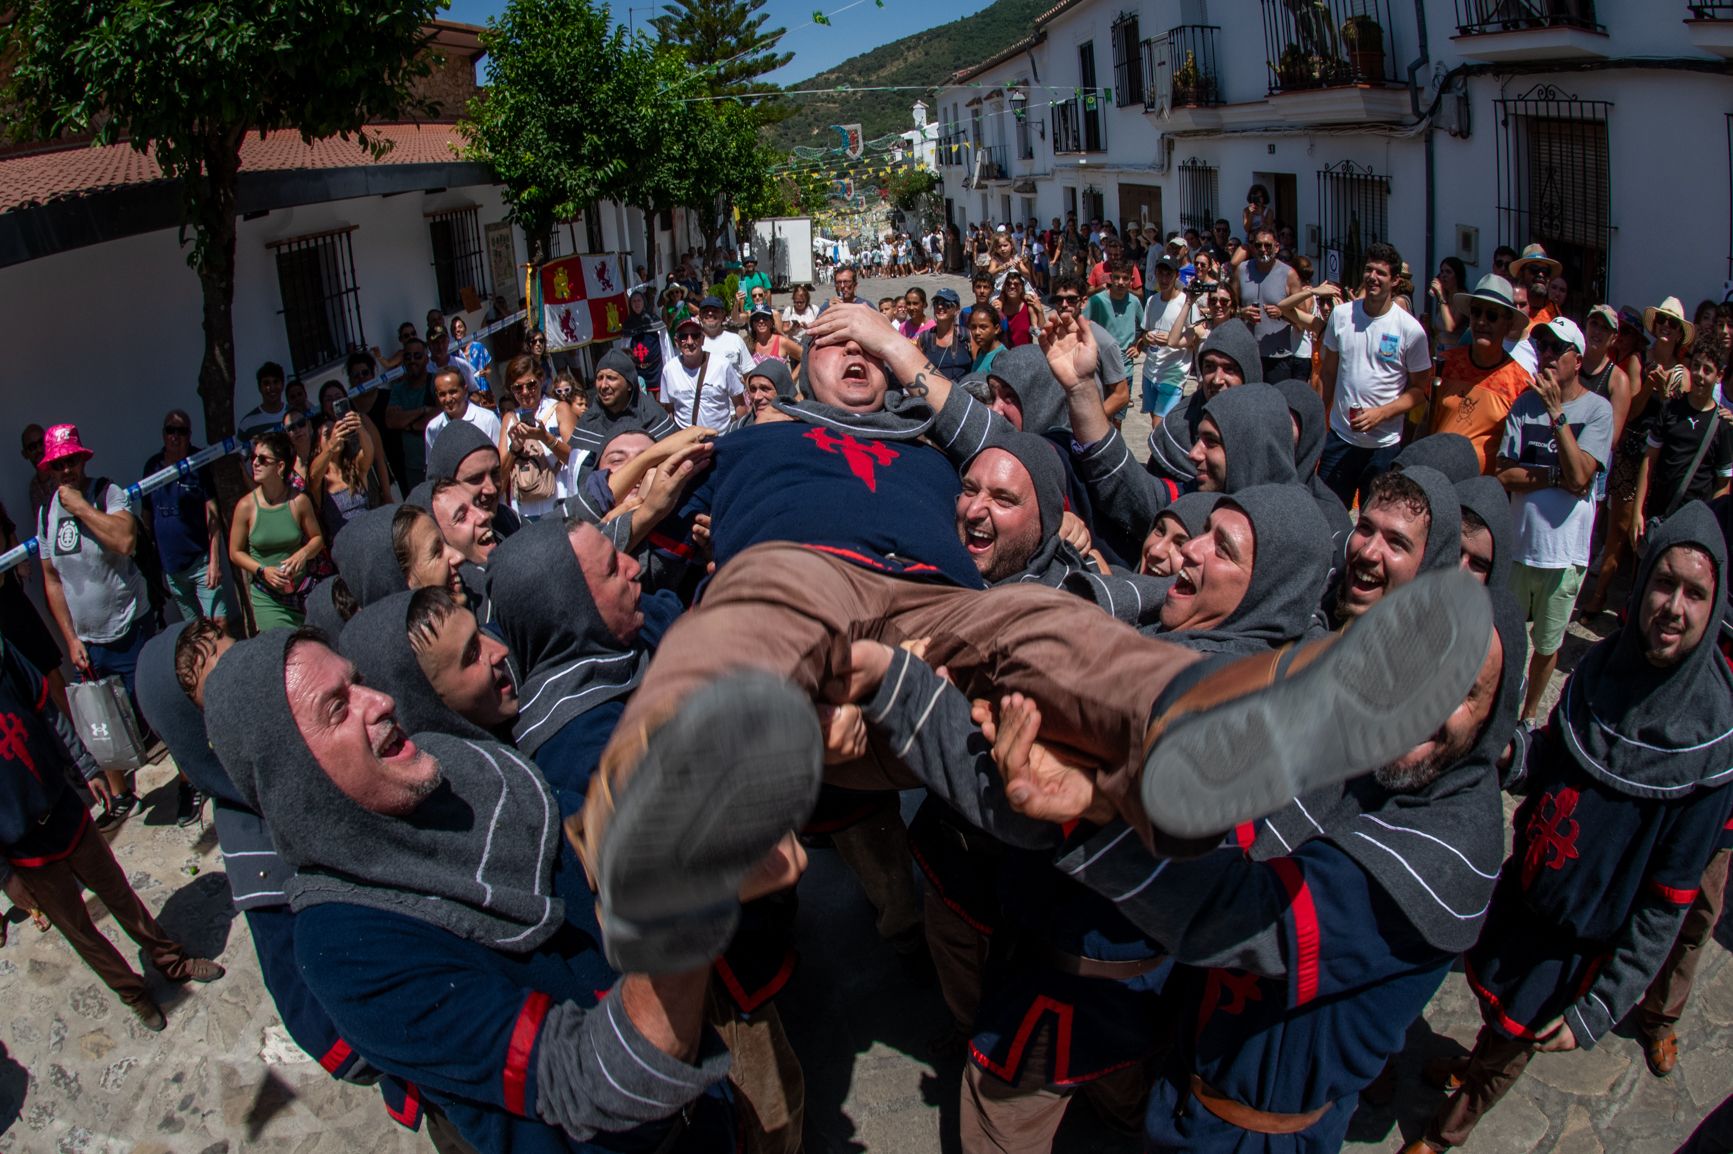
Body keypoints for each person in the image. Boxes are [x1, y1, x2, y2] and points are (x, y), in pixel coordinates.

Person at [203, 628, 804, 1152]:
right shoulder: (344, 944)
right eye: (338, 708)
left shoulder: (448, 767)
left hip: (706, 1100)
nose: (381, 700)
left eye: (358, 681)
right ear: (294, 781)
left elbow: (586, 846)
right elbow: (596, 1079)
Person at [1407, 504, 1733, 1154]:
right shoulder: (1604, 668)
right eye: (1663, 584)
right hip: (1527, 893)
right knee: (1494, 1019)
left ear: (1714, 602)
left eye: (1693, 593)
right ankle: (1472, 1064)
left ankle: (1444, 1135)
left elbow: (1666, 902)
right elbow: (1553, 756)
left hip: (1580, 941)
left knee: (1515, 1042)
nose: (1672, 606)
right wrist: (1501, 753)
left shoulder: (1710, 740)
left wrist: (1603, 1003)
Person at [0, 629, 223, 1029]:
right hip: (22, 846)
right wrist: (4, 875)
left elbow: (45, 711)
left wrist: (86, 767)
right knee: (79, 928)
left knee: (118, 892)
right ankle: (132, 992)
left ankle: (169, 960)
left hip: (62, 808)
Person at [1495, 317, 1614, 720]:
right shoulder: (1523, 404)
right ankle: (1502, 703)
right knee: (1508, 637)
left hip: (1563, 557)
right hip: (1520, 549)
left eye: (1555, 348)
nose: (1545, 355)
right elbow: (1504, 472)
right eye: (1541, 346)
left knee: (1546, 645)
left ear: (1576, 360)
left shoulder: (1598, 410)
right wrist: (1551, 476)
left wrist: (1557, 415)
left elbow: (1582, 476)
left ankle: (1528, 717)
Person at [35, 423, 151, 823]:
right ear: (49, 470)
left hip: (128, 624)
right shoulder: (46, 513)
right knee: (101, 717)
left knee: (149, 705)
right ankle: (121, 794)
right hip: (87, 636)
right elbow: (51, 578)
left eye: (71, 462)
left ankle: (187, 779)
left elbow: (125, 542)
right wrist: (69, 638)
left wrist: (81, 508)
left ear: (82, 461)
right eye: (58, 465)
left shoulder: (106, 492)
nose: (66, 471)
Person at [1317, 243, 1434, 508]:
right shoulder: (1342, 315)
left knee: (1374, 518)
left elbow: (1419, 391)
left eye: (1380, 273)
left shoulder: (1410, 330)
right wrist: (1316, 421)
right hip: (1340, 438)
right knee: (1327, 512)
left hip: (1383, 446)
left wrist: (1381, 413)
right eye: (1369, 270)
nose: (1372, 277)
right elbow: (1328, 372)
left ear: (1395, 281)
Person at [1634, 336, 1732, 554]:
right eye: (1696, 366)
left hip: (1694, 527)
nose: (1699, 374)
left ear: (1719, 376)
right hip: (1660, 516)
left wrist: (1710, 525)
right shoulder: (1670, 408)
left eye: (1708, 370)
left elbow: (1723, 483)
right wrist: (1638, 512)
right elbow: (1650, 459)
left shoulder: (1722, 425)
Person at [1429, 275, 1534, 473]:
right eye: (1476, 313)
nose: (1482, 322)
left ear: (1508, 324)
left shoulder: (1520, 384)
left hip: (1478, 494)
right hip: (1434, 480)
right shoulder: (1445, 363)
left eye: (1492, 316)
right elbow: (1426, 420)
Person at [142, 409, 231, 630]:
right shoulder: (152, 467)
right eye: (170, 430)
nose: (175, 436)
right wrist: (153, 564)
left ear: (189, 435)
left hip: (201, 562)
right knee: (194, 630)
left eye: (181, 431)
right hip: (172, 567)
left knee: (218, 622)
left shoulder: (199, 462)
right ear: (163, 434)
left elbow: (213, 514)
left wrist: (215, 561)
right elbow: (146, 516)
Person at [228, 431, 323, 631]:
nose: (254, 463)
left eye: (262, 459)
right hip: (267, 598)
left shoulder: (299, 501)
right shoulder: (246, 506)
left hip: (302, 592)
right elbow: (235, 552)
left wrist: (303, 554)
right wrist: (262, 570)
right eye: (253, 457)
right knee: (282, 649)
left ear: (280, 466)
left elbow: (317, 539)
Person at [499, 353, 580, 523]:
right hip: (525, 510)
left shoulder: (560, 409)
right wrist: (514, 449)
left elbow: (575, 459)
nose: (525, 392)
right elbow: (500, 477)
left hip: (560, 500)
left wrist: (545, 438)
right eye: (517, 388)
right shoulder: (509, 419)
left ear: (541, 379)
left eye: (531, 385)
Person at [309, 394, 387, 545]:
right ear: (317, 446)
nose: (335, 435)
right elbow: (313, 476)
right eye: (328, 434)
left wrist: (360, 428)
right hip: (345, 547)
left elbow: (369, 453)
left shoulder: (354, 468)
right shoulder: (321, 482)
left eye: (338, 430)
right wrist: (331, 447)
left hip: (371, 539)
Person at [1236, 228, 1303, 383]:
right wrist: (1242, 312)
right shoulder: (1242, 270)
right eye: (1258, 245)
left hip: (1278, 357)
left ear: (1277, 247)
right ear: (1252, 247)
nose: (1263, 250)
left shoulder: (1289, 274)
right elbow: (1228, 307)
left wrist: (1283, 313)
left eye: (1268, 245)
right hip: (1248, 354)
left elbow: (1302, 320)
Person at [662, 316, 745, 430]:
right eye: (683, 337)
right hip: (686, 442)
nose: (689, 342)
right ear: (676, 342)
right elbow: (669, 409)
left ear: (702, 339)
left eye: (695, 336)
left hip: (720, 438)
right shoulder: (669, 370)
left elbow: (740, 404)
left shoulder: (722, 365)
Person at [1138, 252, 1191, 418]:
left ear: (1176, 275)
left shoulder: (1186, 302)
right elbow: (1145, 333)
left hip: (1173, 373)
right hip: (1150, 371)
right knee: (1155, 419)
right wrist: (1147, 338)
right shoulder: (1152, 301)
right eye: (1161, 273)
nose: (1164, 278)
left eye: (1169, 274)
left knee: (1159, 424)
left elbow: (1195, 335)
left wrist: (1172, 341)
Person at [384, 335, 436, 489]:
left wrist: (409, 425)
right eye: (407, 357)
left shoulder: (436, 382)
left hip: (438, 461)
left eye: (417, 356)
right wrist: (423, 410)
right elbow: (392, 421)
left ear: (426, 359)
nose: (412, 360)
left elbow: (440, 414)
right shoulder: (398, 389)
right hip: (413, 467)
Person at [422, 367, 502, 458]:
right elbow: (434, 468)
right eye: (442, 394)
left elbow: (500, 458)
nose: (448, 399)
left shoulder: (487, 420)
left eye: (453, 392)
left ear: (465, 390)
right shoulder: (433, 428)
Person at [1084, 259, 1141, 384]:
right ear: (1110, 277)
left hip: (1126, 368)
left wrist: (1138, 346)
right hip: (1101, 368)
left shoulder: (1135, 301)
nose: (1120, 282)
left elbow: (1145, 328)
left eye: (1125, 278)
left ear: (1131, 281)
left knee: (1123, 402)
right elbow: (1081, 325)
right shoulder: (1096, 300)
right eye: (1117, 277)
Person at [919, 288, 974, 384]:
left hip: (961, 394)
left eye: (946, 304)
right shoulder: (924, 338)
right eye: (936, 303)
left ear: (956, 309)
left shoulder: (967, 336)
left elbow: (977, 368)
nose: (940, 307)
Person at [698, 294, 754, 380]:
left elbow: (748, 374)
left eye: (715, 310)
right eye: (706, 311)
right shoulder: (694, 342)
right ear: (700, 315)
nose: (710, 313)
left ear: (723, 314)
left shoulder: (735, 340)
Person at [238, 361, 290, 436]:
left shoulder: (295, 414)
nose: (272, 388)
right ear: (259, 388)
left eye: (275, 382)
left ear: (282, 385)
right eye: (266, 383)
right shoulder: (247, 424)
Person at [747, 305, 802, 371]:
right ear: (752, 324)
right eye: (756, 318)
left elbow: (805, 357)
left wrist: (792, 378)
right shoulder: (747, 344)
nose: (761, 321)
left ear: (771, 322)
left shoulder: (782, 342)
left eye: (765, 317)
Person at [449, 315, 492, 385]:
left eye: (460, 327)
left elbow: (489, 370)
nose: (457, 330)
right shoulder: (453, 356)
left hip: (484, 391)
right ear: (452, 334)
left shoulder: (478, 347)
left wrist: (485, 373)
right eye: (454, 329)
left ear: (465, 329)